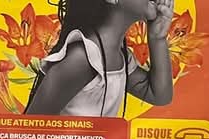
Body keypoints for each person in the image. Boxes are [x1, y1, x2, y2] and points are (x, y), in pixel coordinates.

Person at [26, 0, 175, 116]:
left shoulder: (119, 56)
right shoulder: (81, 59)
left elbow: (158, 95)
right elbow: (28, 132)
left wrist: (157, 38)